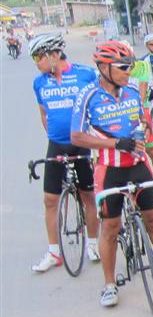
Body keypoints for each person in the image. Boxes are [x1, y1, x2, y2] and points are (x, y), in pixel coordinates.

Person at [70, 41, 153, 307]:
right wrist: (115, 143)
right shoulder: (88, 95)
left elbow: (143, 119)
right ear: (103, 67)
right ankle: (109, 285)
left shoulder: (131, 91)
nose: (128, 72)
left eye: (130, 67)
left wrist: (143, 128)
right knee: (110, 228)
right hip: (109, 170)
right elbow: (77, 136)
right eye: (122, 67)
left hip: (139, 165)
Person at [29, 33, 101, 272]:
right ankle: (54, 252)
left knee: (88, 195)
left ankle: (92, 244)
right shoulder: (39, 83)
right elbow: (43, 113)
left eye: (38, 57)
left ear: (53, 54)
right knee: (50, 200)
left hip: (82, 142)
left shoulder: (85, 74)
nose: (36, 63)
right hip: (57, 145)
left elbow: (99, 105)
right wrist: (54, 136)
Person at [126, 55, 153, 183]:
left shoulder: (142, 66)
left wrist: (139, 114)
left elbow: (142, 89)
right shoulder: (113, 70)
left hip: (141, 110)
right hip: (121, 113)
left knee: (151, 149)